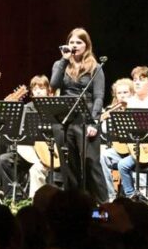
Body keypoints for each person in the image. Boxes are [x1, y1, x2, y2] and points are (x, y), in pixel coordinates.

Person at [51, 27, 107, 202]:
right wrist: (63, 60)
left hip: (86, 118)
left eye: (78, 42)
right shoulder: (60, 64)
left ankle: (102, 203)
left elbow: (99, 97)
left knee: (91, 162)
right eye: (71, 42)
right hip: (64, 119)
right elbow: (54, 84)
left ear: (86, 45)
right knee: (69, 164)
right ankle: (74, 202)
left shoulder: (96, 67)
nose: (74, 45)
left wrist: (94, 122)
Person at [100, 76, 138, 200]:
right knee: (103, 157)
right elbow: (105, 130)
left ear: (132, 93)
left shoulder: (137, 108)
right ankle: (110, 196)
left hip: (137, 151)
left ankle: (142, 193)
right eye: (119, 93)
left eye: (125, 92)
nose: (122, 95)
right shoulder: (111, 110)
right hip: (120, 151)